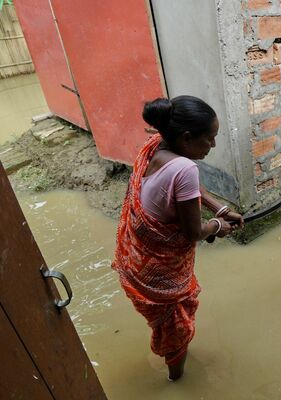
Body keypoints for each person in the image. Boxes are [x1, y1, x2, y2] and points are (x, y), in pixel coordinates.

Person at [111, 95, 243, 381]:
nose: (214, 145)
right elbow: (193, 233)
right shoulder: (185, 169)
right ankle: (176, 379)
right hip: (158, 279)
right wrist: (218, 226)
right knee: (176, 332)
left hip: (133, 260)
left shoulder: (155, 146)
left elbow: (188, 189)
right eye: (210, 139)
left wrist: (219, 208)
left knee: (165, 326)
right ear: (186, 137)